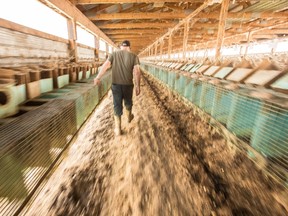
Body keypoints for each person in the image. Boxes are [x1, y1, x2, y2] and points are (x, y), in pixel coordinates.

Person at [94, 40, 141, 136]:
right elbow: (137, 72)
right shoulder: (134, 56)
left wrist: (98, 77)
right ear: (129, 47)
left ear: (120, 47)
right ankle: (128, 118)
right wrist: (137, 86)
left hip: (116, 85)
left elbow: (106, 65)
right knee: (128, 102)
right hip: (128, 85)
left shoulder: (114, 54)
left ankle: (118, 129)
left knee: (117, 105)